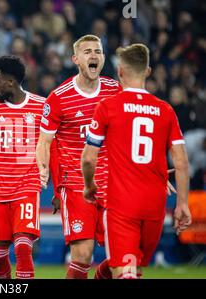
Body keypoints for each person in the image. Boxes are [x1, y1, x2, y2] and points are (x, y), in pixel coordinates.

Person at [81, 43, 192, 279]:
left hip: (122, 205)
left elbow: (89, 158)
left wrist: (89, 185)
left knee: (126, 271)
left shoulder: (108, 107)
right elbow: (181, 162)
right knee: (131, 267)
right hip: (155, 207)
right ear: (148, 72)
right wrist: (182, 204)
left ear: (120, 72)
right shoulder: (166, 110)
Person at [36, 35, 122, 279]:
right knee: (83, 256)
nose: (94, 55)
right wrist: (43, 169)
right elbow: (45, 140)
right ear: (75, 59)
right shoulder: (58, 97)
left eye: (98, 51)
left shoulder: (115, 90)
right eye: (87, 52)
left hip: (113, 183)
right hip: (75, 184)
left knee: (123, 253)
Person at [0, 55, 46, 279]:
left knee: (23, 247)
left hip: (27, 186)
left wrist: (57, 182)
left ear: (11, 82)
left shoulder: (41, 107)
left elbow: (52, 146)